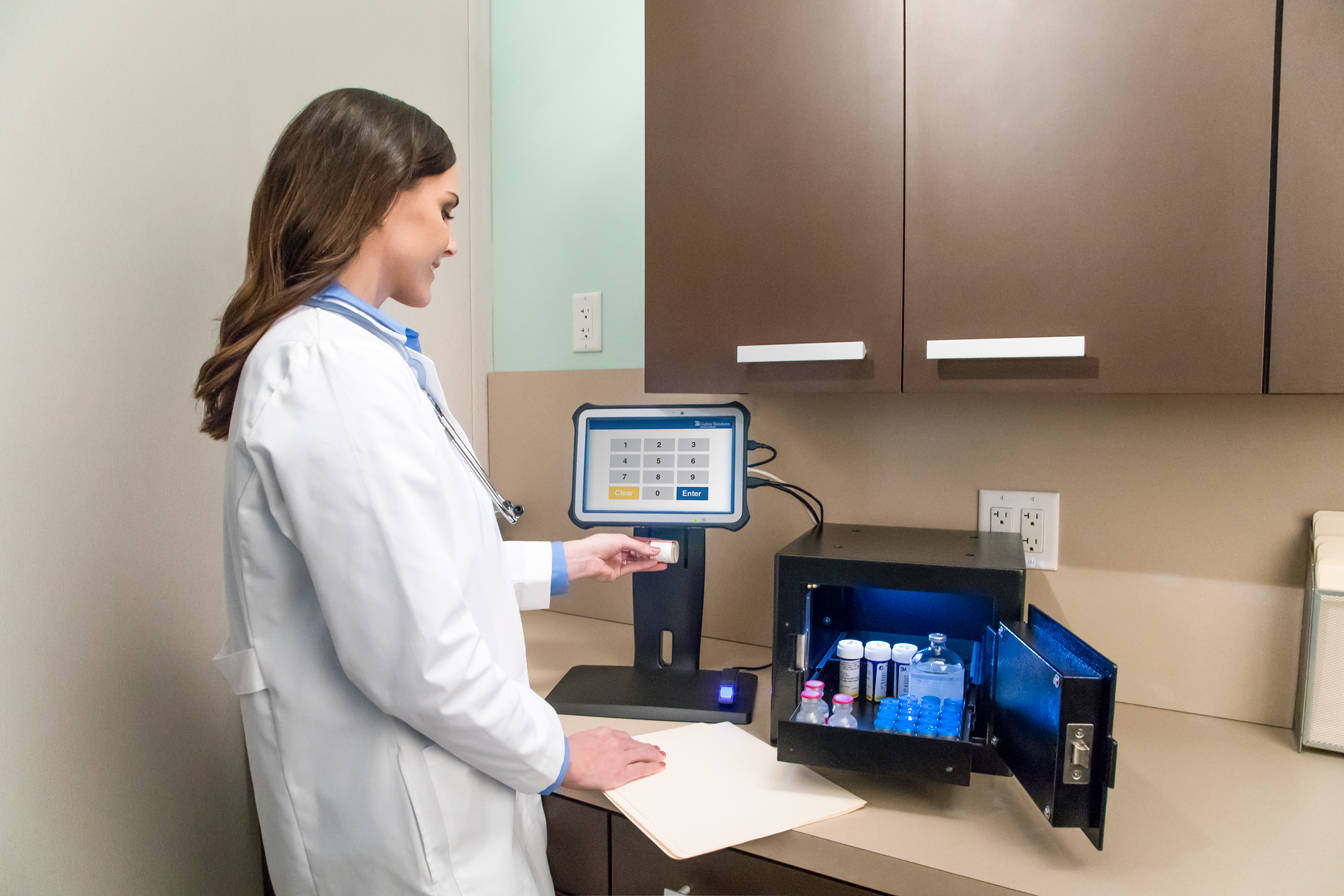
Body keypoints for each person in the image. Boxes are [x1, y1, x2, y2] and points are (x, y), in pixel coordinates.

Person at [193, 87, 667, 896]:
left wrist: (563, 563)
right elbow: (412, 653)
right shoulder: (325, 369)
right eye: (442, 209)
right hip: (400, 833)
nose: (452, 240)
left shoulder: (365, 357)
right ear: (377, 199)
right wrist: (558, 752)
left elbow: (409, 564)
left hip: (437, 794)